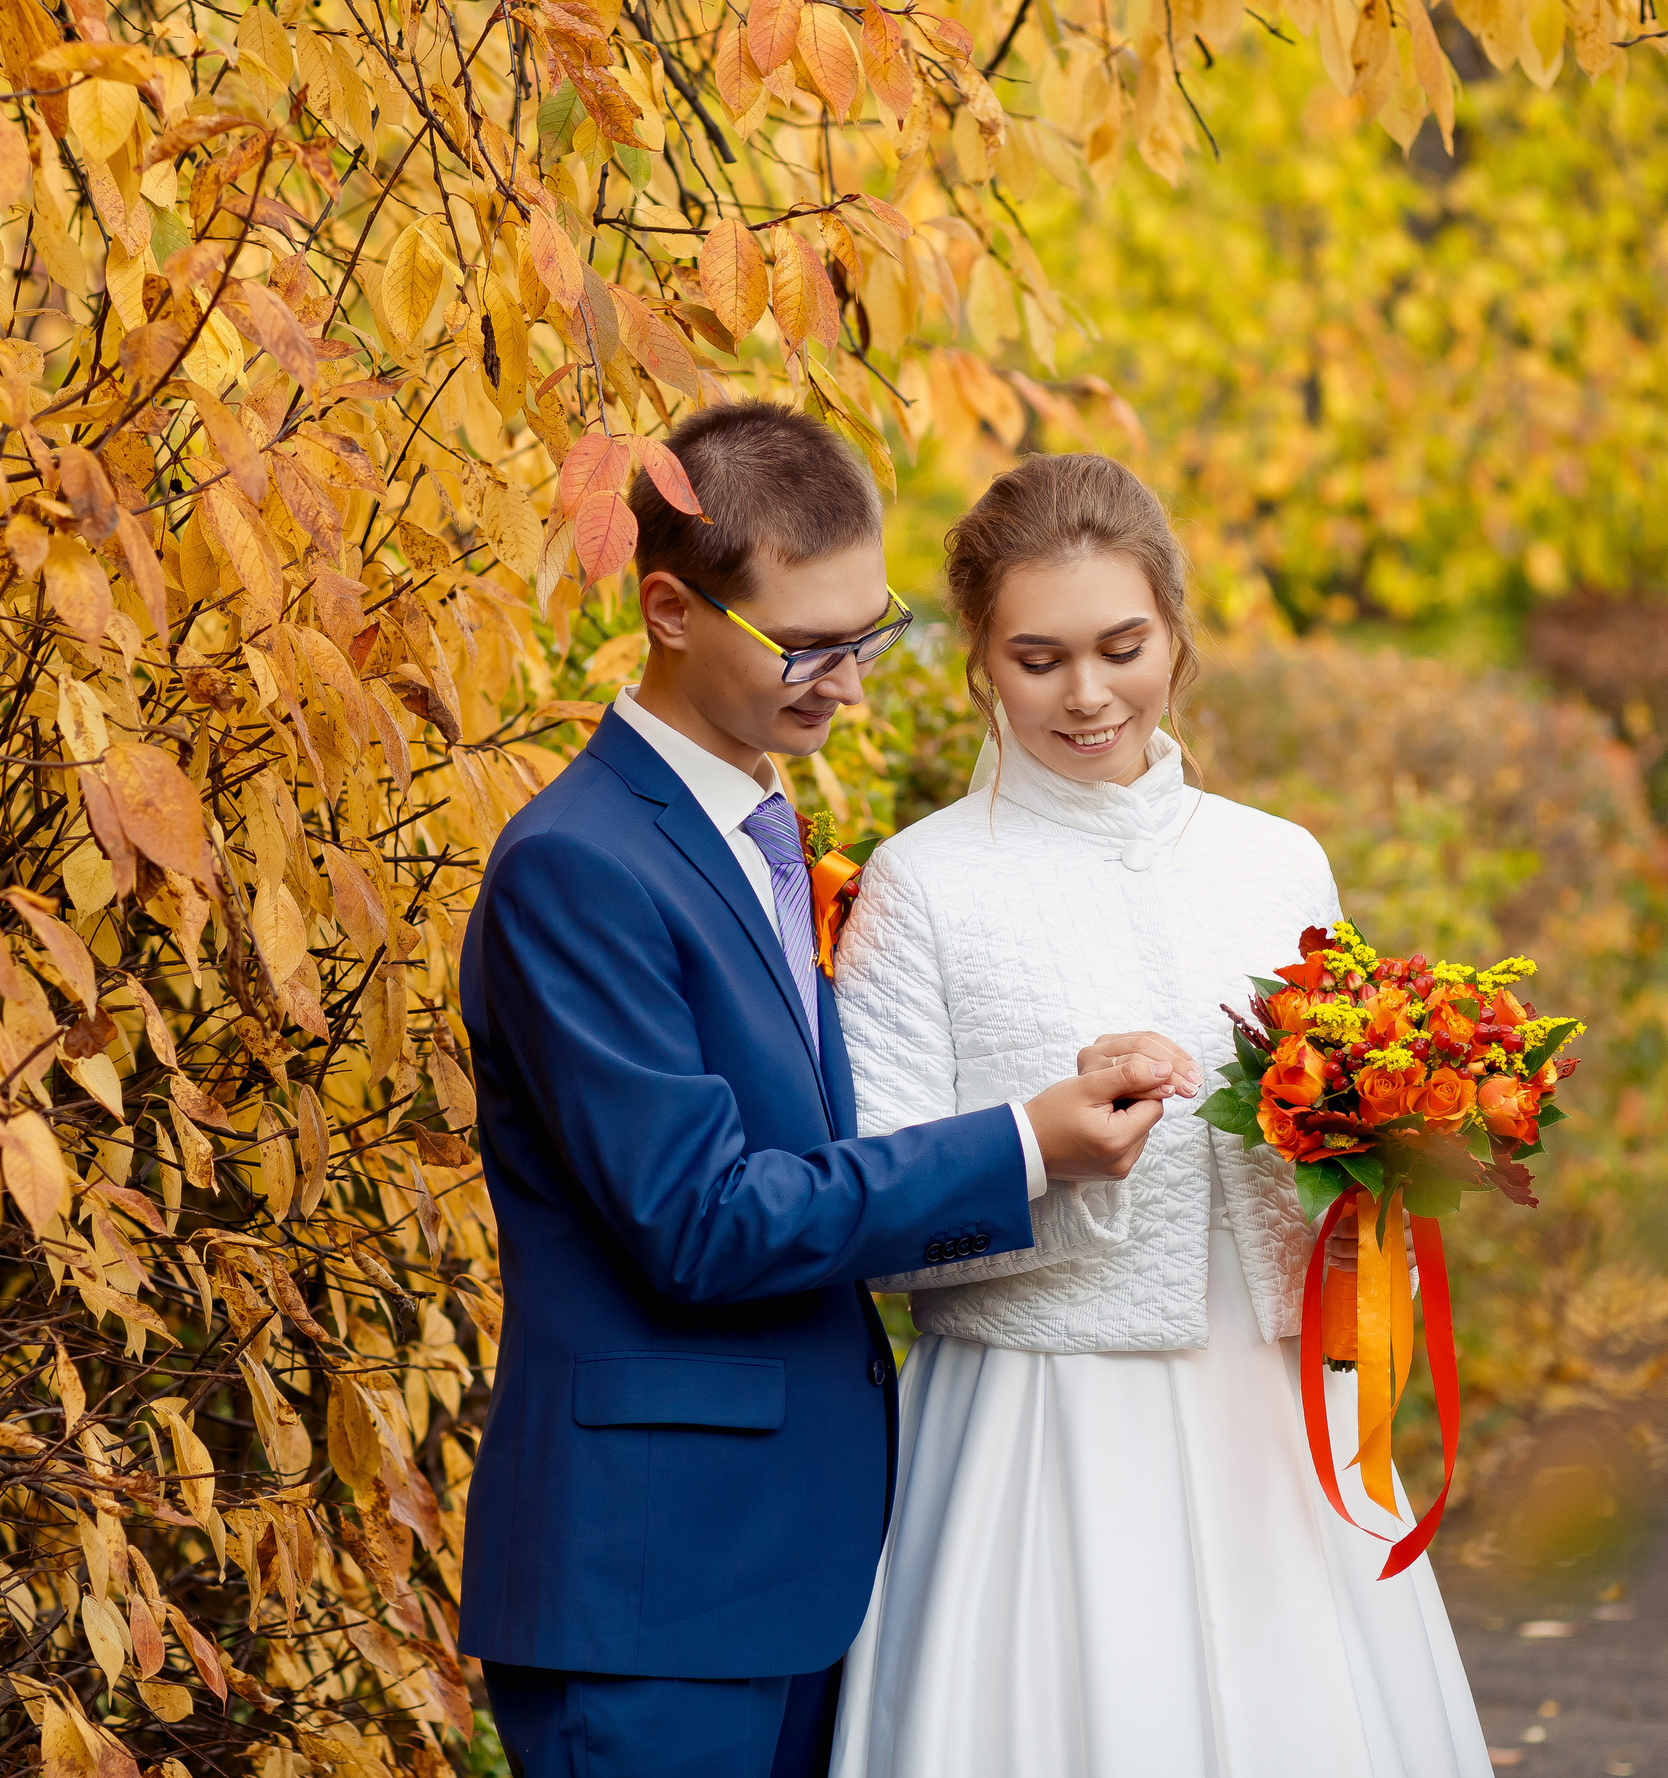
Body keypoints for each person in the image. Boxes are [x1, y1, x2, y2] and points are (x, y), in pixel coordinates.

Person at [457, 406, 1184, 1778]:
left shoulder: (758, 826)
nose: (848, 682)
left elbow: (823, 1158)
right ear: (669, 608)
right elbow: (702, 1220)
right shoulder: (577, 866)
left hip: (798, 1566)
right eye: (807, 646)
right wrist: (1023, 1144)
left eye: (871, 631)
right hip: (653, 1584)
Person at [826, 453, 1491, 1778]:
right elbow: (879, 1226)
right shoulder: (924, 885)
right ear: (980, 661)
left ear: (1177, 636)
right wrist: (1055, 1150)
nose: (1087, 694)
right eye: (1038, 656)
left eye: (1122, 646)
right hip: (1040, 1435)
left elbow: (1338, 1168)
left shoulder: (1277, 859)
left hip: (1280, 1428)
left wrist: (1400, 1132)